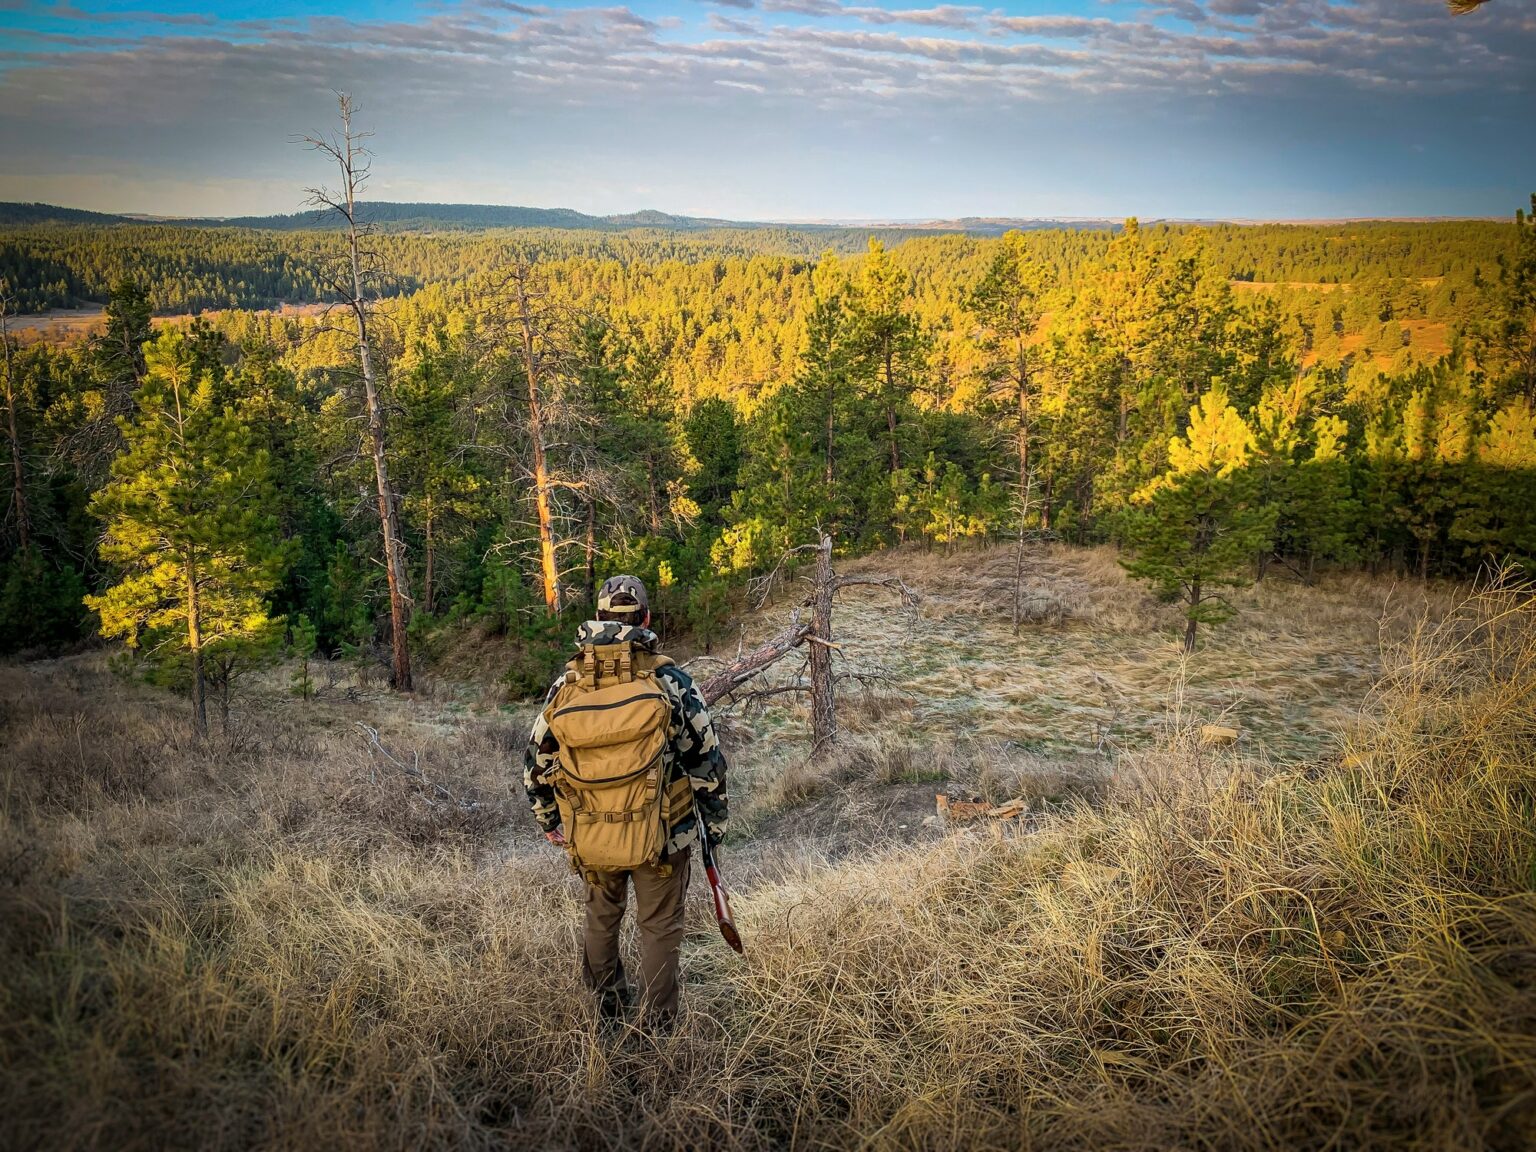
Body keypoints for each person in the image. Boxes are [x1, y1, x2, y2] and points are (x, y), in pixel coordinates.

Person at [523, 574, 729, 1028]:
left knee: (601, 919)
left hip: (590, 829)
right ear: (647, 619)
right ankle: (657, 1026)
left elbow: (536, 760)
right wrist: (713, 828)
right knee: (659, 927)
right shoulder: (671, 680)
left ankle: (608, 1012)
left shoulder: (568, 683)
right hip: (664, 833)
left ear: (598, 618)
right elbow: (707, 762)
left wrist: (549, 820)